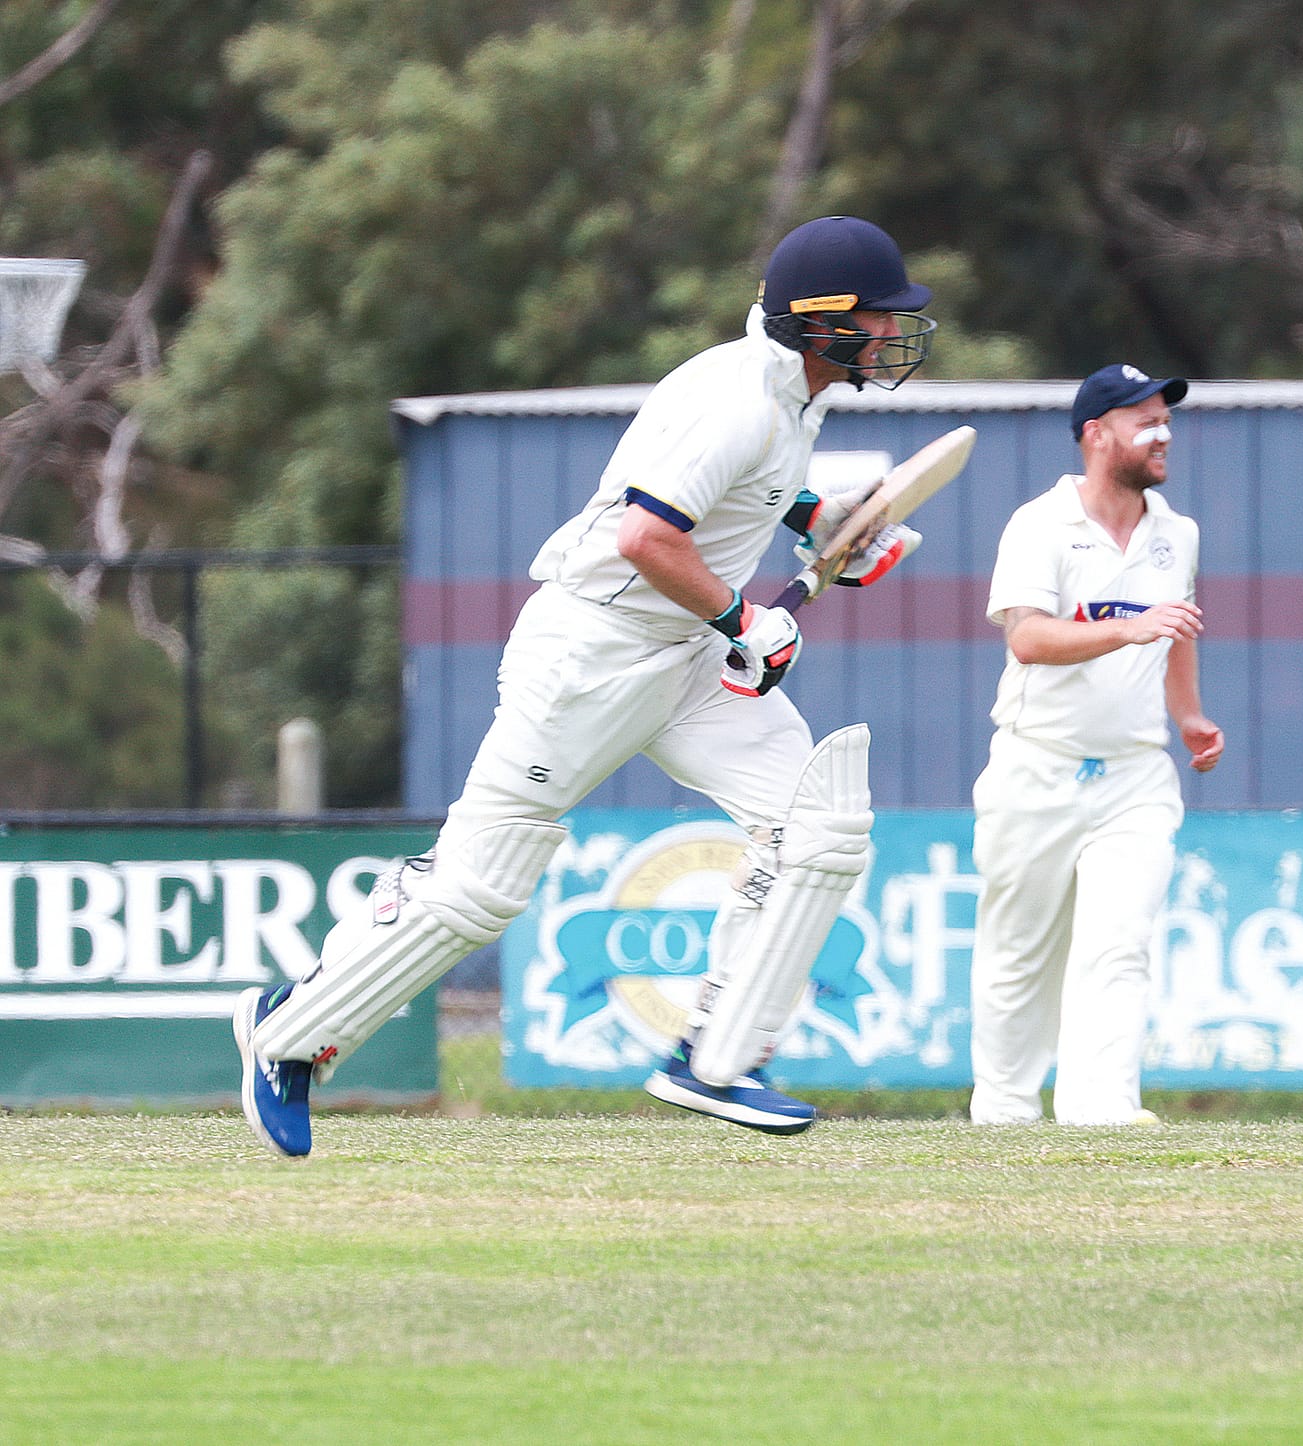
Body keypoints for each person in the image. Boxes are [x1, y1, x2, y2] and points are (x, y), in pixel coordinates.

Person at [234, 216, 938, 1156]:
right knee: (479, 888)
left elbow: (745, 494)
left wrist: (822, 521)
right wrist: (745, 621)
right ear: (821, 322)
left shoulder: (793, 395)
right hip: (592, 656)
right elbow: (646, 538)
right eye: (878, 318)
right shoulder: (736, 397)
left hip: (683, 657)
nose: (893, 336)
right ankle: (291, 1032)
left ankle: (719, 1058)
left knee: (818, 825)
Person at [968, 364, 1224, 1127]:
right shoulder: (1039, 525)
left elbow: (1176, 632)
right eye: (1143, 420)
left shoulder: (1176, 534)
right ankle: (1005, 1111)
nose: (1162, 433)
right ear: (1095, 433)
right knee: (1021, 953)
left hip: (1136, 775)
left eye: (1165, 420)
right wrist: (1127, 627)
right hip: (1035, 764)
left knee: (1120, 943)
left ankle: (1101, 1107)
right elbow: (1029, 639)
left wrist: (1190, 717)